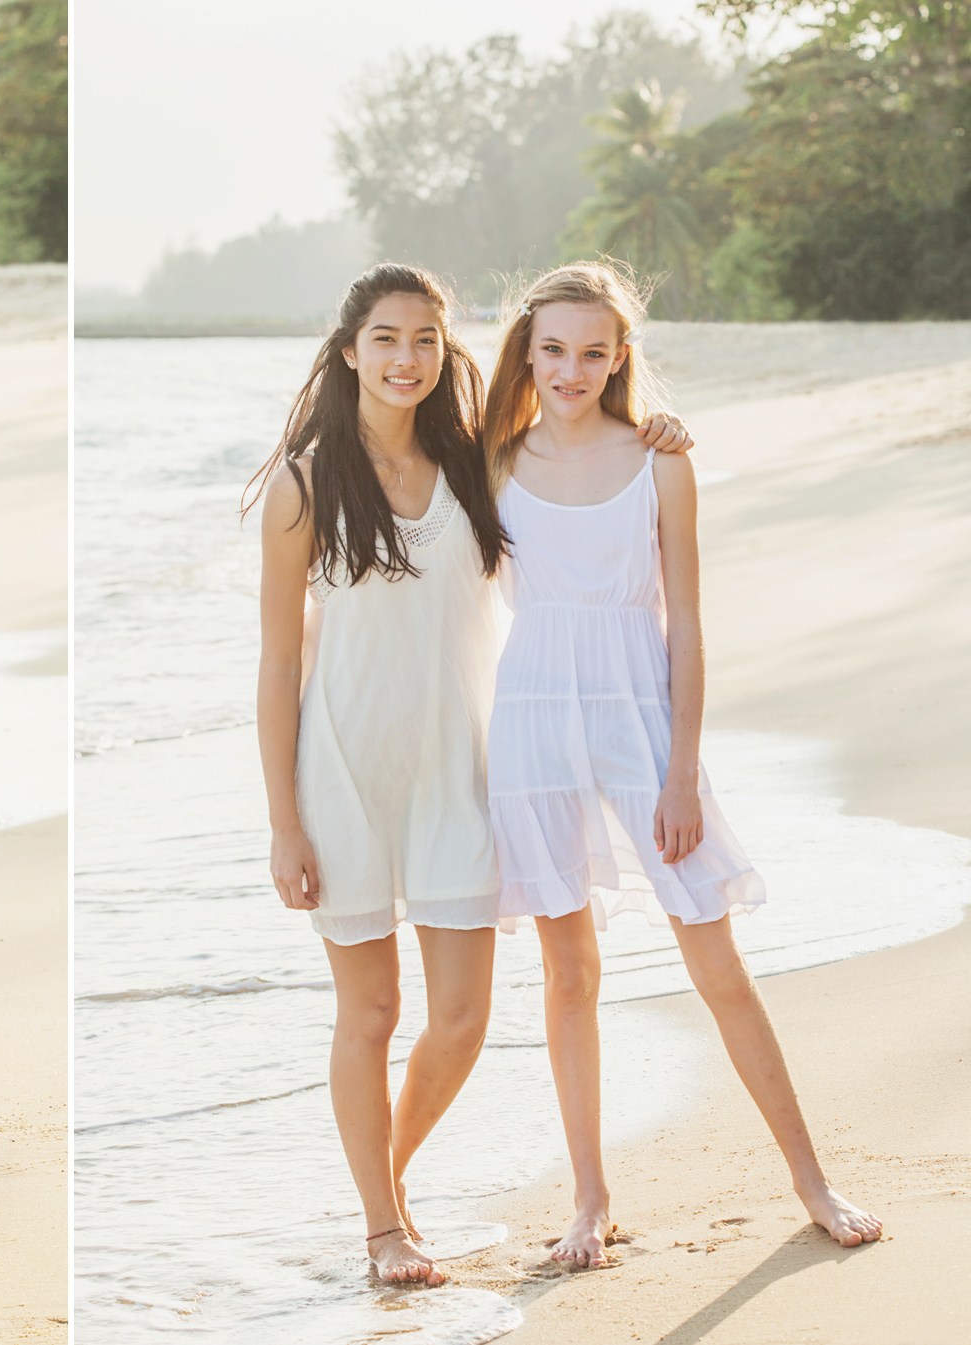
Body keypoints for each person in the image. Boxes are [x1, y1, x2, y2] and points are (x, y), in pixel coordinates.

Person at [249, 263, 692, 1285]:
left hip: (463, 770)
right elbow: (278, 664)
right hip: (345, 775)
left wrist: (660, 428)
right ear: (350, 348)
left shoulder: (476, 462)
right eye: (387, 339)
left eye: (425, 342)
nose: (406, 359)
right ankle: (382, 1228)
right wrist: (283, 822)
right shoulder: (306, 483)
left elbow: (585, 456)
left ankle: (384, 1181)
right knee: (368, 1014)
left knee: (461, 1018)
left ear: (446, 356)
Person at [482, 261, 882, 1267]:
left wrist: (680, 769)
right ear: (527, 353)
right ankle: (589, 1200)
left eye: (593, 351)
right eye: (554, 350)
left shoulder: (660, 458)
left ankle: (812, 1179)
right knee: (568, 972)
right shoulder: (489, 460)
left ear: (621, 358)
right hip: (532, 719)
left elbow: (689, 623)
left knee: (717, 961)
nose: (571, 369)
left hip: (642, 723)